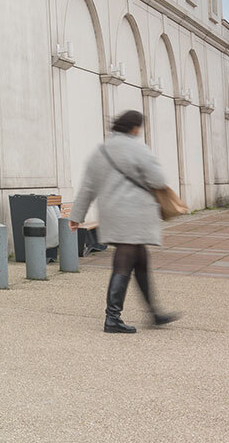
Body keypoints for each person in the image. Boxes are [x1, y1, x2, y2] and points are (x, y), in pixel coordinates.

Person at [70, 110, 180, 333]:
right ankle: (112, 318)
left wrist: (76, 216)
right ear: (134, 128)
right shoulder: (138, 148)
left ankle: (154, 313)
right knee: (124, 261)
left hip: (113, 214)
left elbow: (88, 187)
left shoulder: (100, 151)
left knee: (140, 260)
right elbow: (158, 179)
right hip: (134, 214)